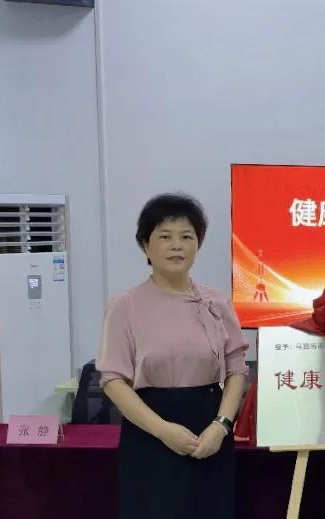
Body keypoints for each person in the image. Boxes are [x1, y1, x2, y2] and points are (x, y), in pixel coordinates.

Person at [97, 193, 249, 519]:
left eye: (186, 237)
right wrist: (163, 431)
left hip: (211, 432)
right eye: (165, 237)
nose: (176, 246)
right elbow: (113, 381)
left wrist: (222, 425)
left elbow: (237, 370)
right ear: (145, 245)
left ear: (198, 244)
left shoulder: (218, 303)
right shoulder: (125, 306)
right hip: (150, 431)